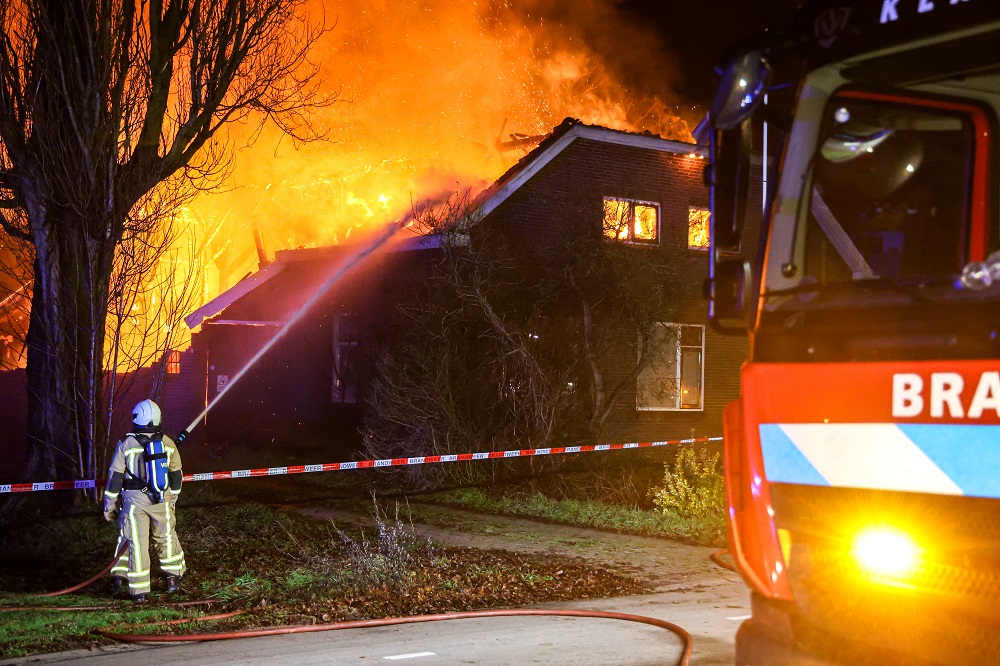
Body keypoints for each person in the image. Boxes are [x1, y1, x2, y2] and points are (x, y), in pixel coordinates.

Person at [102, 399, 186, 602]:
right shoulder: (168, 443)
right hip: (161, 499)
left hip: (134, 502)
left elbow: (115, 478)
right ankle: (173, 580)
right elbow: (176, 475)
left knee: (136, 543)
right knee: (165, 537)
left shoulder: (126, 443)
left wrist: (109, 506)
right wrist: (172, 498)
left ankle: (139, 591)